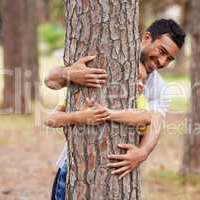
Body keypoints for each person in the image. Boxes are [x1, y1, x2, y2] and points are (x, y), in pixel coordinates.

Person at [45, 18, 186, 199]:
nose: (162, 61)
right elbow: (50, 82)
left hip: (117, 176)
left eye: (169, 59)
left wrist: (142, 153)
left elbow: (155, 121)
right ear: (147, 38)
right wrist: (69, 73)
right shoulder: (107, 59)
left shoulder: (159, 87)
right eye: (162, 51)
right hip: (75, 167)